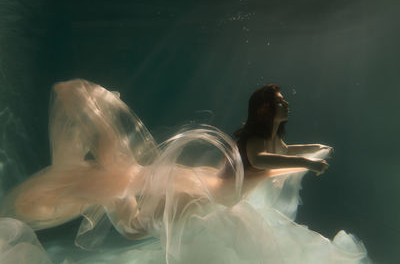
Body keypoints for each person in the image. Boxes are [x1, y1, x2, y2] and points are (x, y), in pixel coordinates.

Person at [0, 79, 369, 263]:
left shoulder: (270, 137)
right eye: (278, 103)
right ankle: (96, 169)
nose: (286, 105)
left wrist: (312, 150)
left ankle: (104, 172)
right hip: (205, 192)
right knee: (136, 225)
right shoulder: (256, 142)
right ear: (263, 111)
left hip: (216, 194)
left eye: (283, 101)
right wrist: (306, 162)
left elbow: (283, 152)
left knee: (136, 207)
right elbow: (266, 162)